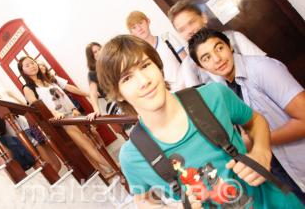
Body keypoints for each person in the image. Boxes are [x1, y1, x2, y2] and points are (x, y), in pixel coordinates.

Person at [95, 34, 303, 208]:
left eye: (145, 66)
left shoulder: (213, 95)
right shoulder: (132, 156)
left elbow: (255, 120)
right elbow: (143, 199)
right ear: (118, 93)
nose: (144, 81)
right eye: (127, 78)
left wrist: (262, 152)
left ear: (158, 66)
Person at [187, 28, 305, 204]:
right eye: (207, 58)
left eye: (219, 48)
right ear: (201, 67)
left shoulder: (263, 68)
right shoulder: (221, 90)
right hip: (278, 172)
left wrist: (260, 141)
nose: (217, 59)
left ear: (229, 46)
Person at [17, 56, 113, 176]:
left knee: (89, 141)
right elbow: (35, 106)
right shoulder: (28, 88)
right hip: (60, 121)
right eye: (27, 65)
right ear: (22, 71)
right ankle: (113, 166)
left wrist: (82, 99)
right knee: (86, 145)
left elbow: (67, 91)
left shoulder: (48, 79)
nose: (32, 66)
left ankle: (104, 172)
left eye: (32, 62)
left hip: (72, 115)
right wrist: (54, 113)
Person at [126, 11, 200, 91]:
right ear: (131, 33)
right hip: (169, 94)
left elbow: (187, 62)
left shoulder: (166, 38)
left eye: (140, 23)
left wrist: (189, 82)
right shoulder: (140, 56)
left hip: (190, 85)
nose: (139, 29)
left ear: (148, 21)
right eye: (134, 27)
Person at [85, 42, 121, 121]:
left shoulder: (113, 63)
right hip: (116, 103)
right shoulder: (92, 73)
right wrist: (97, 110)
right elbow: (93, 93)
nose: (99, 52)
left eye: (100, 49)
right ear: (91, 56)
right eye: (95, 52)